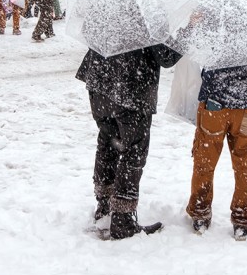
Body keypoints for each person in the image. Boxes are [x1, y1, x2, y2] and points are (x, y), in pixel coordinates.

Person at [76, 44, 182, 240]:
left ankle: (105, 207)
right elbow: (166, 57)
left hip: (100, 80)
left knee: (108, 142)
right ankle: (122, 219)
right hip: (132, 85)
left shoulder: (105, 11)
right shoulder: (149, 14)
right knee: (133, 152)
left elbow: (89, 31)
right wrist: (189, 30)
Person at [186, 63, 247, 241]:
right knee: (245, 162)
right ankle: (243, 218)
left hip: (214, 103)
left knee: (205, 159)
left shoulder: (214, 35)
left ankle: (200, 212)